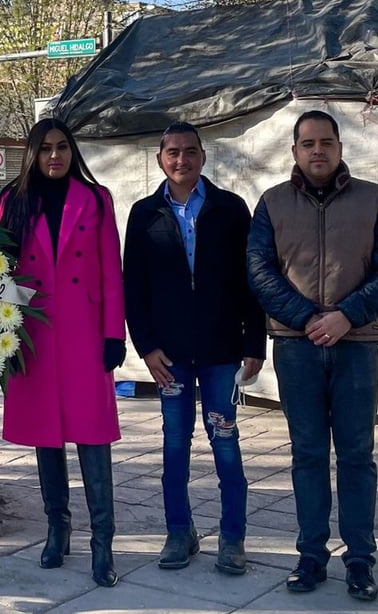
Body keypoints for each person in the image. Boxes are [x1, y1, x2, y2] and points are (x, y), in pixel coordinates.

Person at [247, 110, 378, 602]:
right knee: (308, 455)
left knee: (357, 456)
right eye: (308, 143)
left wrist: (346, 316)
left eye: (327, 142)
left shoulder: (373, 199)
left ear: (340, 147)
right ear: (294, 151)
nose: (318, 150)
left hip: (355, 347)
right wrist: (306, 319)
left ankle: (360, 560)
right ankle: (311, 556)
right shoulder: (272, 204)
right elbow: (259, 270)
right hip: (296, 348)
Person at [123, 122, 266, 575]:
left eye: (189, 152)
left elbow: (252, 282)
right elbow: (134, 288)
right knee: (173, 444)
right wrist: (145, 347)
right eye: (172, 153)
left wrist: (253, 343)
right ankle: (178, 532)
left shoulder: (230, 209)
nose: (181, 160)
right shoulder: (144, 214)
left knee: (225, 441)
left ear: (203, 157)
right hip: (170, 357)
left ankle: (232, 536)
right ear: (160, 159)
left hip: (222, 350)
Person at [0, 117, 126, 588]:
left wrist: (115, 333)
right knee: (47, 435)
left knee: (93, 436)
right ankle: (59, 528)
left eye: (63, 147)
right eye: (46, 148)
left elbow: (111, 268)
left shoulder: (95, 198)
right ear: (33, 153)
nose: (55, 156)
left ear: (73, 152)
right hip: (35, 335)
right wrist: (2, 337)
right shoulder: (13, 201)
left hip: (84, 334)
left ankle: (102, 541)